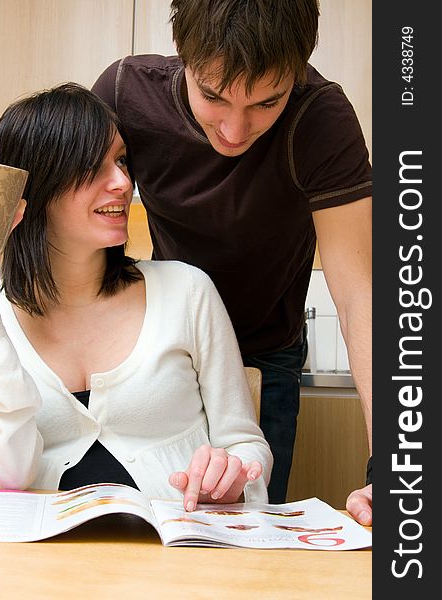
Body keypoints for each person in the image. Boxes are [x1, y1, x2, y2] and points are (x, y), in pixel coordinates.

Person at [92, 0, 372, 524]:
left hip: (269, 346)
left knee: (251, 525)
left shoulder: (321, 120)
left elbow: (363, 295)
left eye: (267, 103)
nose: (235, 131)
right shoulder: (127, 93)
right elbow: (70, 214)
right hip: (162, 348)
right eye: (213, 96)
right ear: (183, 55)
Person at [0, 83, 272, 512]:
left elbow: (245, 443)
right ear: (36, 187)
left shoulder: (187, 291)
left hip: (179, 555)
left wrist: (234, 474)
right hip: (39, 567)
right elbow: (2, 480)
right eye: (93, 166)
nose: (123, 183)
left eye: (122, 161)